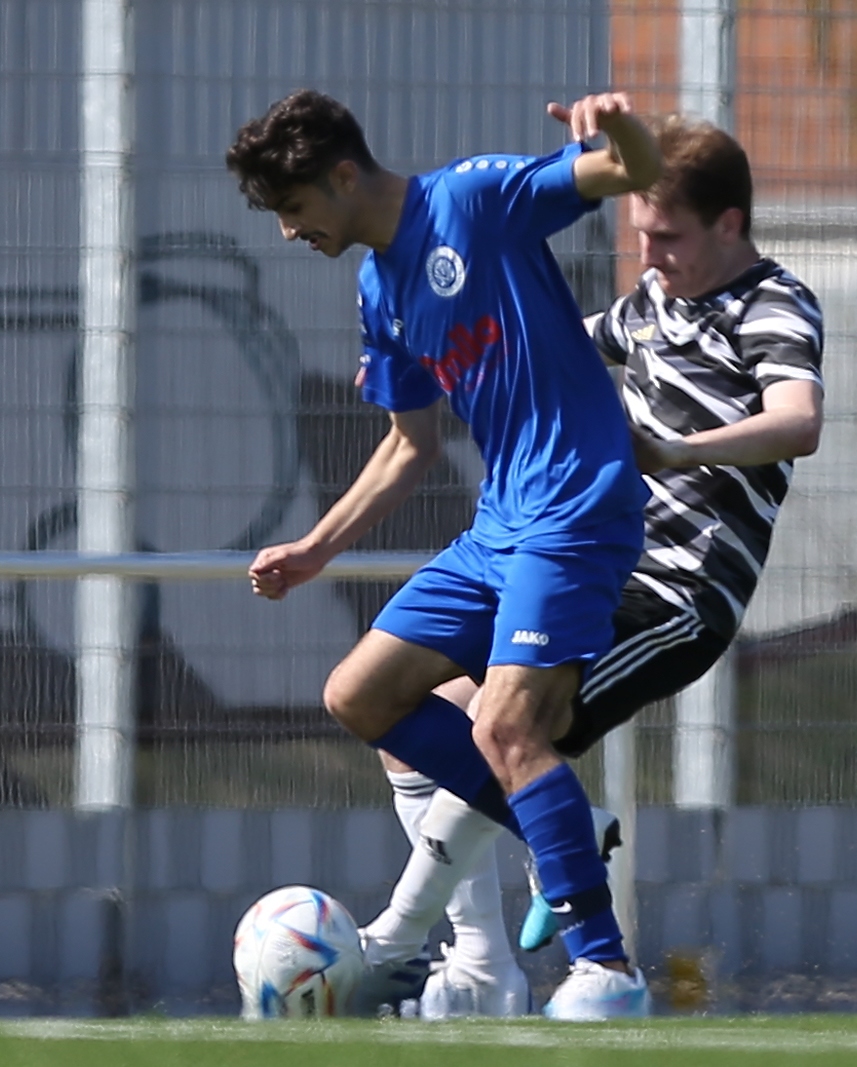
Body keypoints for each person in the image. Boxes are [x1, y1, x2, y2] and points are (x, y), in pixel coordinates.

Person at [361, 113, 826, 1019]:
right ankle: (482, 964)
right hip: (591, 563)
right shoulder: (652, 302)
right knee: (421, 725)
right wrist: (437, 346)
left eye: (668, 235)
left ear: (730, 223)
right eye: (639, 233)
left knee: (503, 728)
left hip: (678, 593)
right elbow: (551, 338)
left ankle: (398, 940)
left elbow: (798, 419)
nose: (648, 255)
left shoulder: (775, 302)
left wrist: (675, 449)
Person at [226, 89, 663, 1021]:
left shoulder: (474, 200)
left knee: (505, 726)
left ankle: (607, 968)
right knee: (360, 694)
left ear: (343, 175)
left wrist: (616, 123)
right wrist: (315, 548)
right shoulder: (380, 286)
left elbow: (635, 171)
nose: (291, 232)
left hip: (574, 505)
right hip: (500, 525)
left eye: (295, 209)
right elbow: (407, 444)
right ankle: (564, 829)